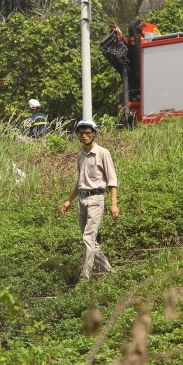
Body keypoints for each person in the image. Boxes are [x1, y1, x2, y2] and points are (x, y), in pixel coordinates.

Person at [61, 119, 120, 280]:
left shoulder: (103, 153)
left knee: (88, 238)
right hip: (81, 199)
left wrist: (114, 204)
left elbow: (112, 180)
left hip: (96, 199)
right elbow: (80, 181)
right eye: (82, 133)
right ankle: (110, 273)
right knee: (89, 240)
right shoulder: (80, 155)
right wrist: (69, 200)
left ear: (94, 134)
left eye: (88, 133)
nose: (85, 136)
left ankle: (85, 277)